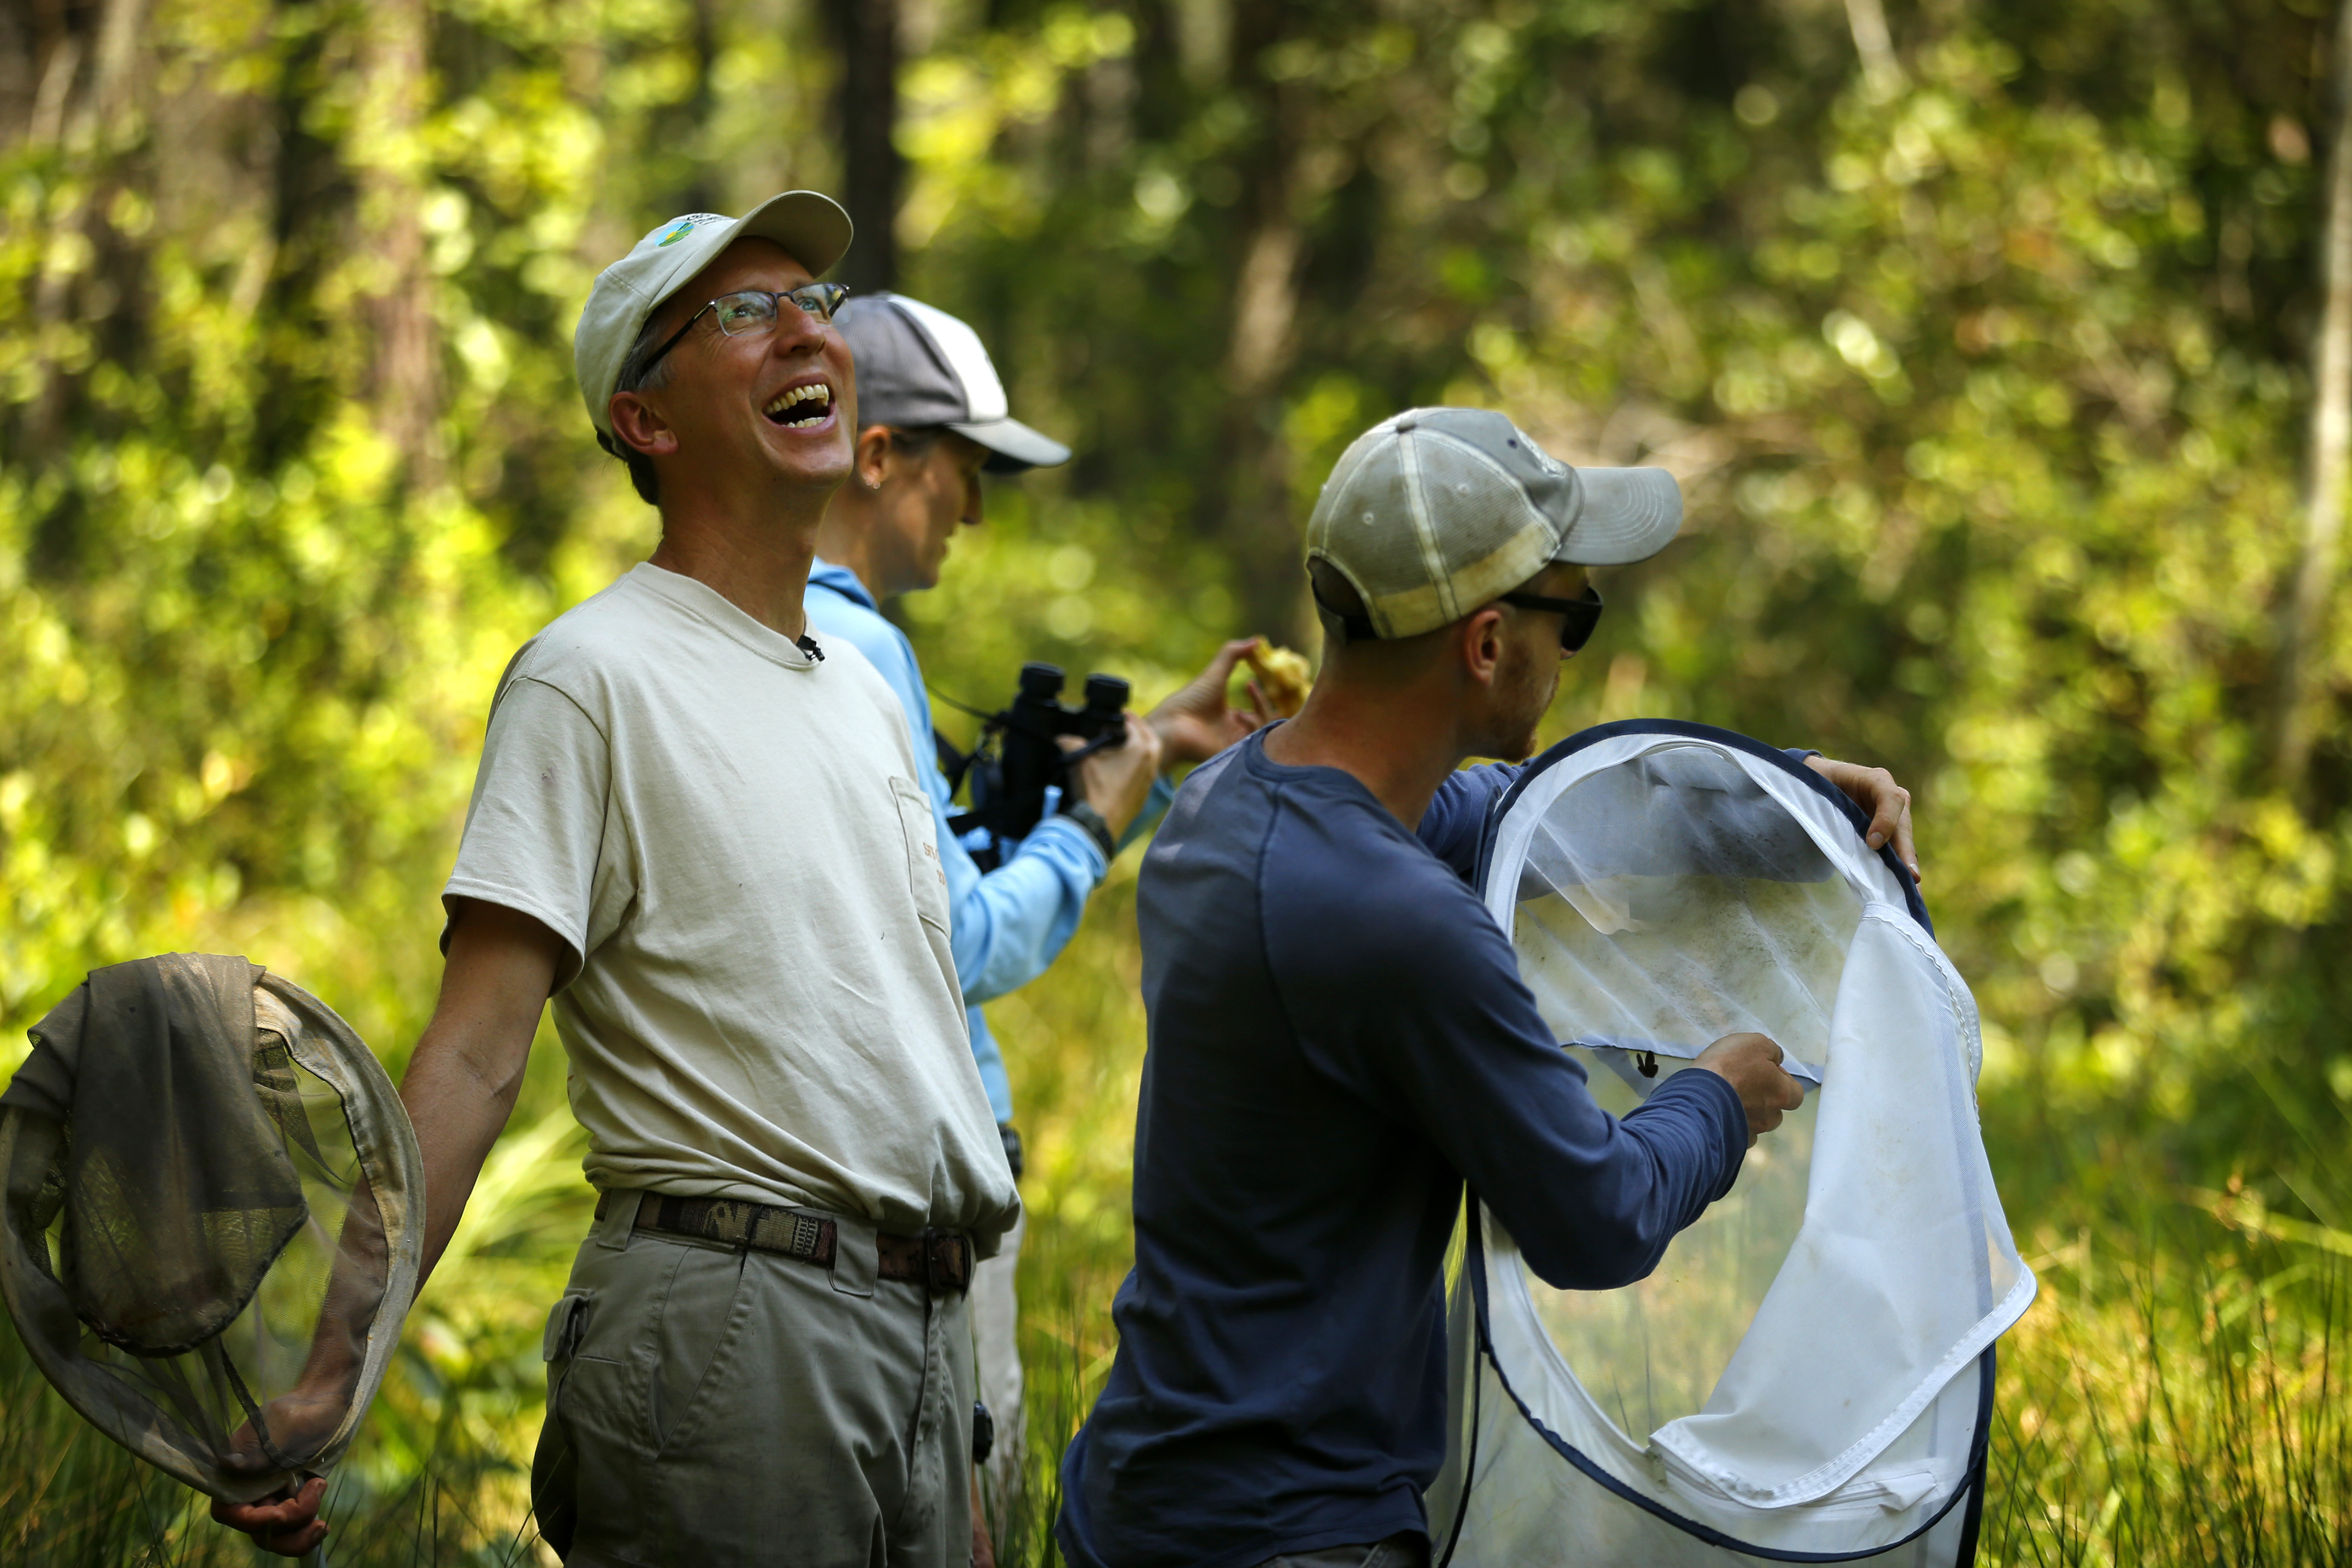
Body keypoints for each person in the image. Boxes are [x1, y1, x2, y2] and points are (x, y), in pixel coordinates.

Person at [215, 193, 1020, 1567]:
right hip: (734, 1333)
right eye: (743, 314)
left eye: (813, 305)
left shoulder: (862, 695)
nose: (802, 333)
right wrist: (334, 1369)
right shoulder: (591, 677)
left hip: (929, 1331)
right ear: (644, 422)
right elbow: (471, 1061)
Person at [1056, 407, 1921, 1568]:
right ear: (1486, 643)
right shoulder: (1397, 921)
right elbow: (1595, 1218)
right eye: (1577, 618)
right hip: (1291, 1533)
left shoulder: (1234, 802)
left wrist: (1788, 798)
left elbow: (1547, 823)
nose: (1575, 656)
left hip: (1147, 1497)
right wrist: (1720, 1096)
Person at [804, 290, 1271, 1525]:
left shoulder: (765, 628)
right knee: (971, 1523)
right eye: (967, 469)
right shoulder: (857, 652)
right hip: (922, 1212)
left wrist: (1156, 746)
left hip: (830, 1214)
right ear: (878, 453)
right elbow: (960, 941)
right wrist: (1092, 826)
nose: (977, 506)